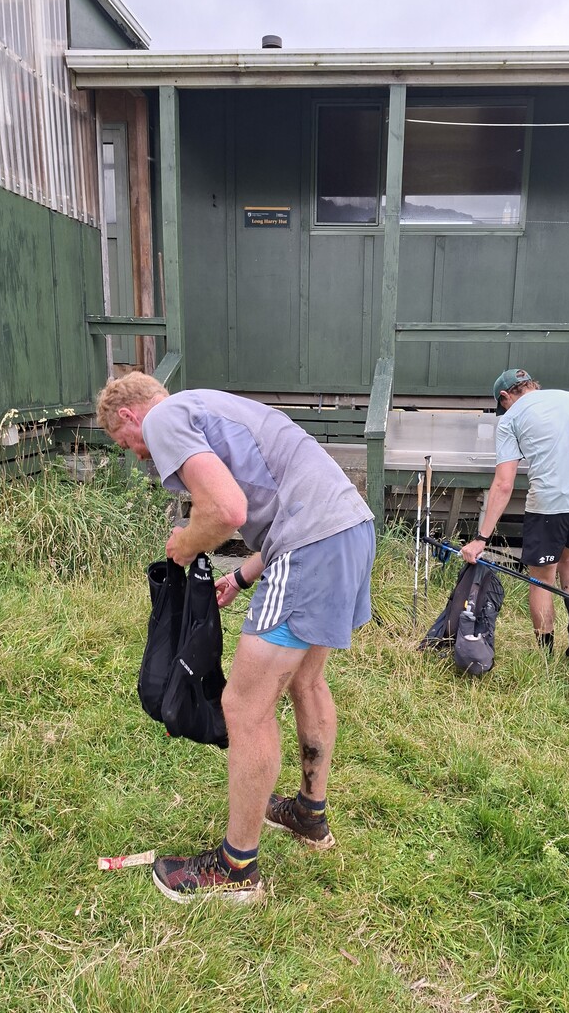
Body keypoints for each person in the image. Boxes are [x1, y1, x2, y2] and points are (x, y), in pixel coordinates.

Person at [96, 372, 375, 903]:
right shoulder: (213, 407)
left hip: (309, 543)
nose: (137, 454)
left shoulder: (165, 417)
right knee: (307, 682)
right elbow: (278, 497)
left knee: (244, 706)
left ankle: (235, 869)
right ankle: (309, 815)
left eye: (124, 442)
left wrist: (185, 544)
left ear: (129, 415)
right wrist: (243, 577)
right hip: (349, 529)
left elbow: (226, 510)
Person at [460, 369, 569, 658]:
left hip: (551, 503)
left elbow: (504, 483)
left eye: (502, 404)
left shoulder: (511, 418)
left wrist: (481, 538)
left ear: (505, 396)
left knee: (542, 577)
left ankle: (546, 658)